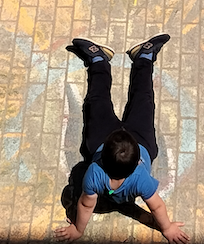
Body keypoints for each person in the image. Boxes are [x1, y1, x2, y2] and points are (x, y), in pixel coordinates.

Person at [55, 34, 189, 244]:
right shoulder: (141, 180)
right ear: (138, 162)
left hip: (111, 138)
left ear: (101, 158)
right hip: (141, 141)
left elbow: (86, 205)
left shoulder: (94, 174)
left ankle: (99, 61)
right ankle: (143, 57)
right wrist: (168, 228)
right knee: (143, 99)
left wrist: (78, 230)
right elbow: (157, 206)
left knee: (99, 100)